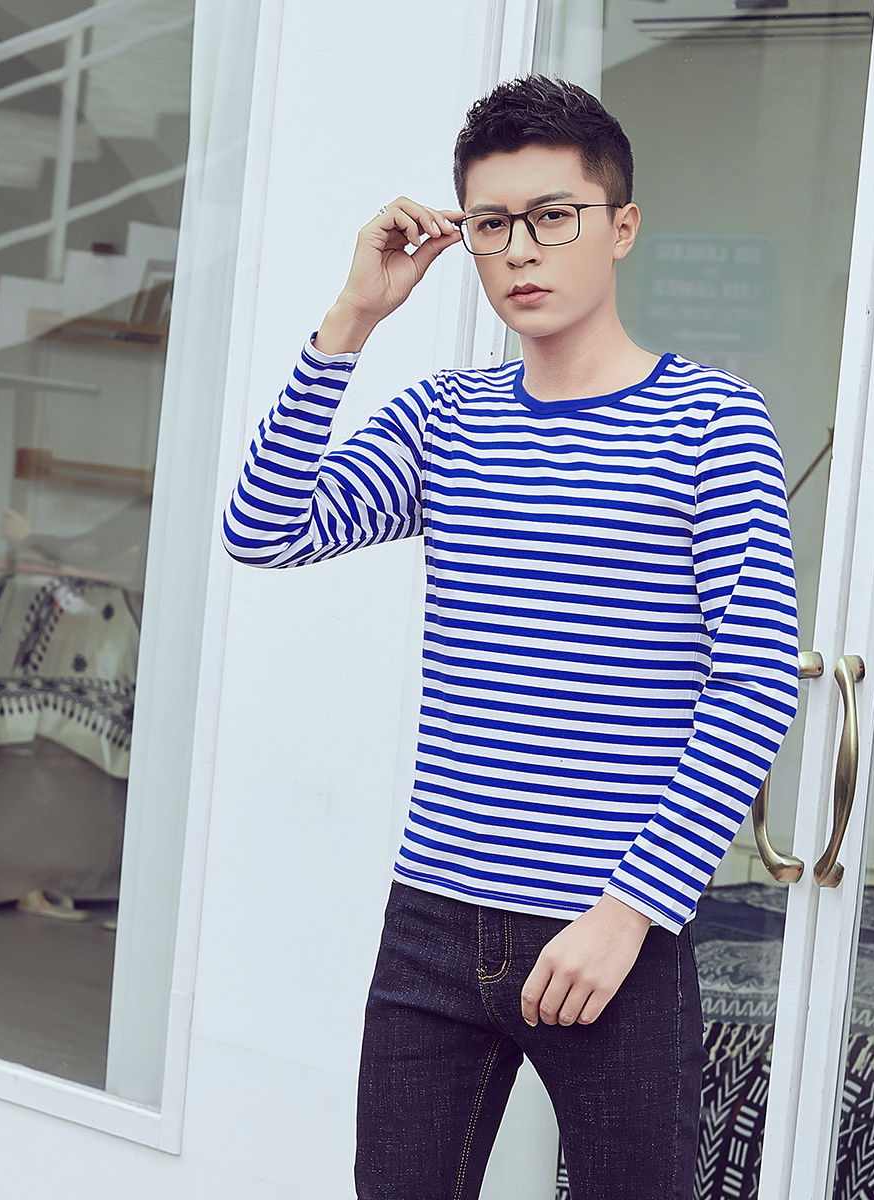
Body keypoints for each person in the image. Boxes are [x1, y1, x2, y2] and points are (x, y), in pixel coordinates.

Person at [222, 76, 799, 1200]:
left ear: (621, 226)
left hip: (609, 933)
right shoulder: (446, 418)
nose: (520, 250)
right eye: (490, 225)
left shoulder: (712, 422)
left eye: (553, 216)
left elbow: (756, 681)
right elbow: (265, 528)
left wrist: (629, 915)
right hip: (432, 926)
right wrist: (352, 320)